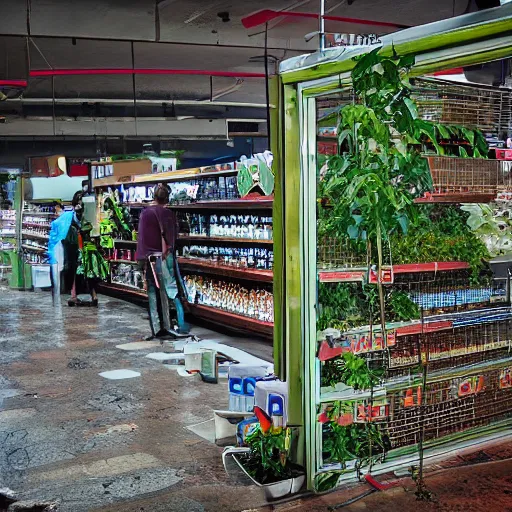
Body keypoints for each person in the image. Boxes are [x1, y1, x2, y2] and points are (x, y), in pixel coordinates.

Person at [136, 183, 189, 340]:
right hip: (166, 258)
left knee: (153, 294)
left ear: (154, 196)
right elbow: (173, 237)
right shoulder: (169, 214)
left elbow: (142, 239)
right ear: (167, 198)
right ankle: (178, 325)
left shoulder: (146, 214)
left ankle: (157, 329)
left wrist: (141, 263)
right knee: (172, 291)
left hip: (151, 260)